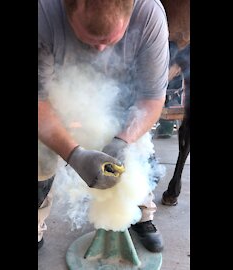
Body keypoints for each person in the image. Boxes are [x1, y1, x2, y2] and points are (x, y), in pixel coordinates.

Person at [38, 0, 169, 253]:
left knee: (137, 151)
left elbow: (152, 99)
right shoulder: (43, 13)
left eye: (109, 40)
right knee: (39, 154)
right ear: (67, 9)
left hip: (124, 98)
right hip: (59, 95)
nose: (99, 49)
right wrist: (74, 154)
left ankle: (141, 214)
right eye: (88, 38)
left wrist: (123, 140)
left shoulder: (149, 15)